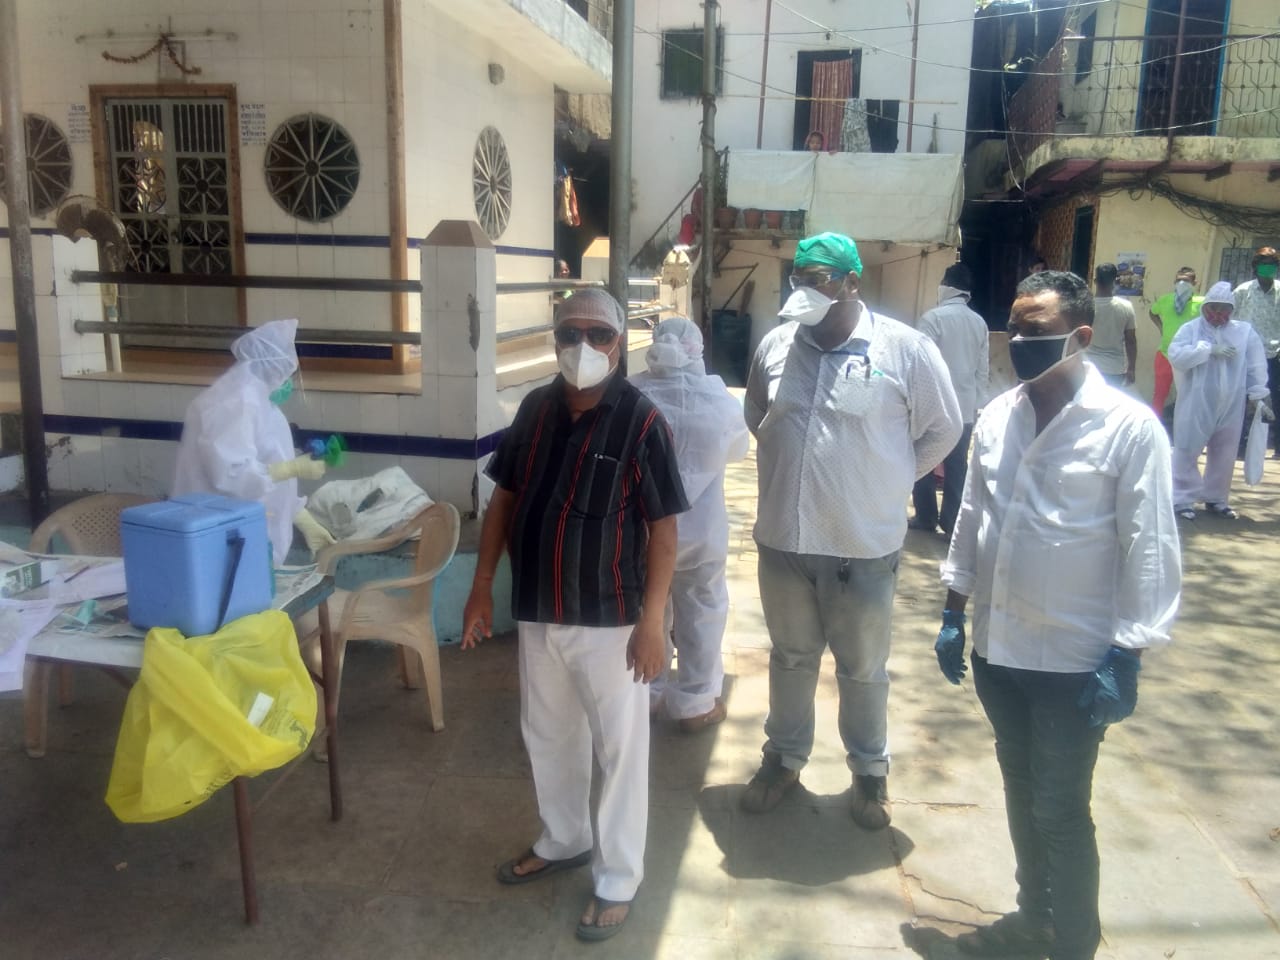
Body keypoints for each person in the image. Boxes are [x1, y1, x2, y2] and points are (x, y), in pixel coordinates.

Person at [936, 270, 1181, 960]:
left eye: (1037, 330)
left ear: (1080, 336)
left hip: (1075, 662)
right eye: (1015, 328)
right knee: (1021, 792)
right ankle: (1033, 918)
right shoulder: (997, 416)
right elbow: (972, 516)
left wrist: (1129, 651)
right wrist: (954, 610)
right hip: (998, 650)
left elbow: (1149, 546)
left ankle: (1073, 944)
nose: (1020, 341)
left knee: (1061, 807)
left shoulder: (1128, 427)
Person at [461, 288, 688, 943]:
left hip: (611, 620)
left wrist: (654, 622)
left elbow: (664, 531)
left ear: (619, 344)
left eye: (598, 334)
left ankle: (618, 879)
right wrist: (482, 586)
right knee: (549, 735)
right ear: (554, 338)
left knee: (619, 752)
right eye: (569, 333)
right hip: (538, 609)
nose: (582, 346)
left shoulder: (642, 421)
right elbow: (504, 499)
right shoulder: (534, 408)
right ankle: (564, 839)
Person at [741, 231, 962, 828]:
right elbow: (757, 413)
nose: (806, 290)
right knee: (791, 658)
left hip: (860, 547)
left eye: (819, 281)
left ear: (852, 283)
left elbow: (944, 428)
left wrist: (888, 480)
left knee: (862, 668)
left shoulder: (905, 349)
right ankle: (783, 758)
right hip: (784, 542)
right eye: (799, 279)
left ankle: (869, 772)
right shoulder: (776, 345)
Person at [630, 317, 750, 731]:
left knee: (649, 613)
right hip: (702, 532)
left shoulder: (631, 395)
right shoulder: (719, 401)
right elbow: (737, 450)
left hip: (643, 534)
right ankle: (696, 703)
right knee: (702, 613)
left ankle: (644, 694)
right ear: (696, 350)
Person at [172, 318, 333, 566]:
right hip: (218, 535)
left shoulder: (263, 402)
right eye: (288, 371)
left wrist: (299, 514)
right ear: (275, 366)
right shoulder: (237, 402)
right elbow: (232, 475)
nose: (289, 380)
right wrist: (292, 468)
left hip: (240, 533)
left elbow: (269, 464)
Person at [1167, 281, 1271, 521]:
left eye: (1224, 309)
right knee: (1187, 448)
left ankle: (1216, 497)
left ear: (1232, 310)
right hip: (1196, 400)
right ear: (1205, 307)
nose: (1217, 314)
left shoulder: (1244, 333)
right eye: (1213, 308)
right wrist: (1207, 350)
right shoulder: (1191, 330)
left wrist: (1258, 395)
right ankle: (1182, 498)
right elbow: (1176, 355)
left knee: (1225, 450)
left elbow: (1256, 366)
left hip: (1232, 402)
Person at [911, 262, 990, 536]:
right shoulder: (979, 323)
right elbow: (983, 370)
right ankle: (952, 521)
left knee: (923, 459)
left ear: (946, 286)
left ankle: (925, 516)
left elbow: (921, 365)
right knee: (957, 465)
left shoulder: (932, 319)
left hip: (932, 405)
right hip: (965, 407)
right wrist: (977, 405)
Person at [1233, 246, 1280, 456]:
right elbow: (1229, 319)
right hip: (1246, 356)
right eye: (1264, 264)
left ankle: (1278, 448)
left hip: (1274, 355)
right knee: (1242, 401)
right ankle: (1240, 445)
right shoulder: (1243, 291)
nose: (1268, 268)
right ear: (1256, 267)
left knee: (1276, 400)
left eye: (1272, 264)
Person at [1148, 266, 1203, 417]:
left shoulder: (1202, 303)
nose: (1182, 284)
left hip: (1189, 356)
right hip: (1165, 353)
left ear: (1194, 283)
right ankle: (1155, 424)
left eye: (1186, 281)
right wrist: (1161, 328)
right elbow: (1152, 313)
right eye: (1178, 281)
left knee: (1187, 394)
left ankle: (1183, 425)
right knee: (1160, 394)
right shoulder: (1165, 300)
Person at [1087, 263, 1136, 388]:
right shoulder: (1126, 307)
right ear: (1115, 281)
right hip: (1114, 369)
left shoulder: (1086, 306)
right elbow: (1131, 341)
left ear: (1095, 281)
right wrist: (1131, 368)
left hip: (1089, 367)